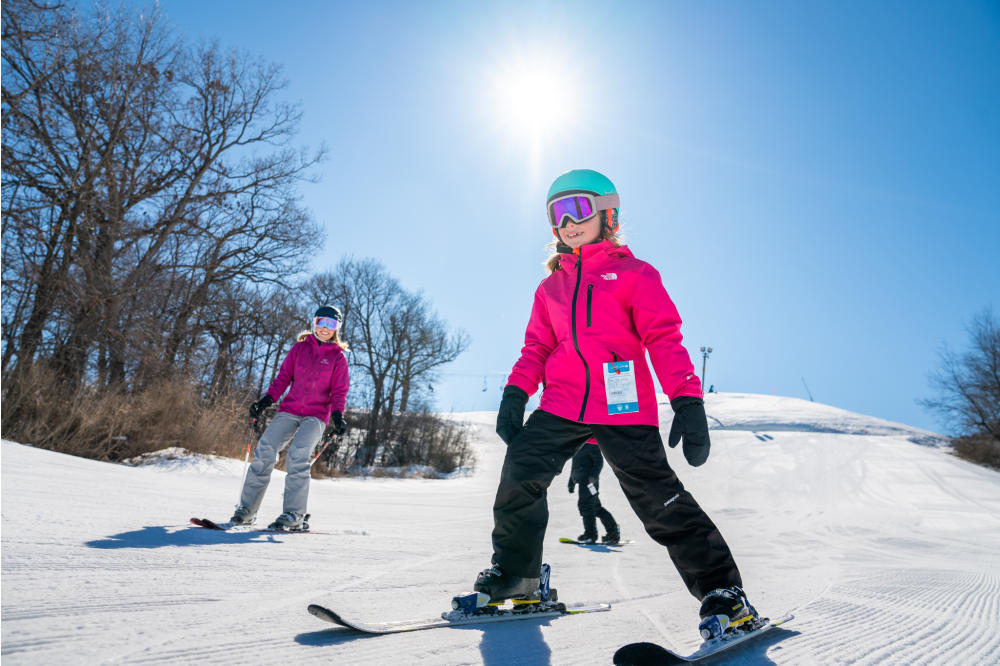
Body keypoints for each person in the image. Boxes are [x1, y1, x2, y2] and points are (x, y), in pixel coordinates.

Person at [474, 169, 756, 638]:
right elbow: (537, 348)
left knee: (657, 499)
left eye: (578, 208)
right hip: (563, 402)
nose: (569, 222)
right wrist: (516, 392)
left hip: (621, 406)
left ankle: (723, 592)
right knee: (520, 475)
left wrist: (686, 398)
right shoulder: (550, 289)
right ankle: (518, 579)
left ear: (608, 213)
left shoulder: (635, 274)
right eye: (557, 214)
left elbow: (663, 338)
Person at [231, 305, 350, 531]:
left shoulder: (338, 358)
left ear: (337, 328)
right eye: (321, 322)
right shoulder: (300, 349)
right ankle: (246, 510)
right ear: (314, 323)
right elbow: (283, 378)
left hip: (316, 415)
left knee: (298, 456)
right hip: (290, 409)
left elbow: (339, 391)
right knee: (265, 449)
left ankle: (294, 515)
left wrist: (337, 415)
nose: (325, 328)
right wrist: (266, 400)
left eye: (331, 324)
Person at [567, 439, 619, 544]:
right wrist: (571, 482)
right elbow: (575, 466)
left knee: (586, 506)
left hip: (589, 483)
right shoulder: (578, 445)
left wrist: (592, 477)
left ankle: (590, 534)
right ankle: (612, 533)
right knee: (595, 507)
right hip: (583, 482)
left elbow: (599, 461)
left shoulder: (590, 444)